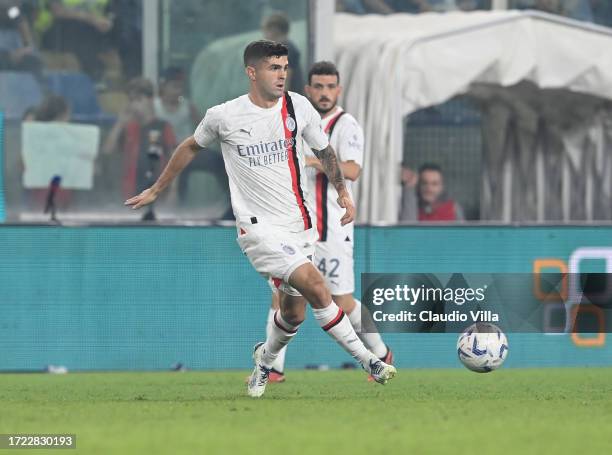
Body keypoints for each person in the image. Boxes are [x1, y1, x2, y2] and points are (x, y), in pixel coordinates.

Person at [124, 40, 396, 398]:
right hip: (257, 229)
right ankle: (370, 360)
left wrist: (343, 191)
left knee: (293, 314)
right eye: (273, 67)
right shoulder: (225, 116)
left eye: (284, 67)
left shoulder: (299, 106)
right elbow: (190, 145)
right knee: (317, 286)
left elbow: (324, 150)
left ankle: (263, 362)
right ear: (252, 72)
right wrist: (158, 189)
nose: (282, 74)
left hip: (300, 227)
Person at [260, 61, 393, 383]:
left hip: (332, 230)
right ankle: (272, 368)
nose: (324, 93)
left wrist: (313, 160)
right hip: (294, 228)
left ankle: (381, 353)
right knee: (281, 296)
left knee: (342, 302)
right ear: (308, 90)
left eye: (329, 86)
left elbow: (352, 170)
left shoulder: (346, 125)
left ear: (339, 90)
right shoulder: (292, 120)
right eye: (318, 87)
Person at [103, 77, 176, 205]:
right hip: (129, 193)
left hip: (156, 194)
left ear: (150, 100)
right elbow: (107, 150)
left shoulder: (163, 127)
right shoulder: (128, 128)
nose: (134, 105)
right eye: (131, 100)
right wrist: (119, 124)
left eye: (138, 100)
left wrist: (173, 191)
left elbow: (175, 160)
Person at [0, 0, 44, 84]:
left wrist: (26, 48)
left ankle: (44, 92)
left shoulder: (12, 11)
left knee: (32, 61)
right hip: (4, 55)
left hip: (13, 53)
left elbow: (21, 23)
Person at [261, 13, 304, 93]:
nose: (264, 35)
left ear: (274, 30)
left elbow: (285, 83)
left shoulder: (286, 51)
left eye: (265, 30)